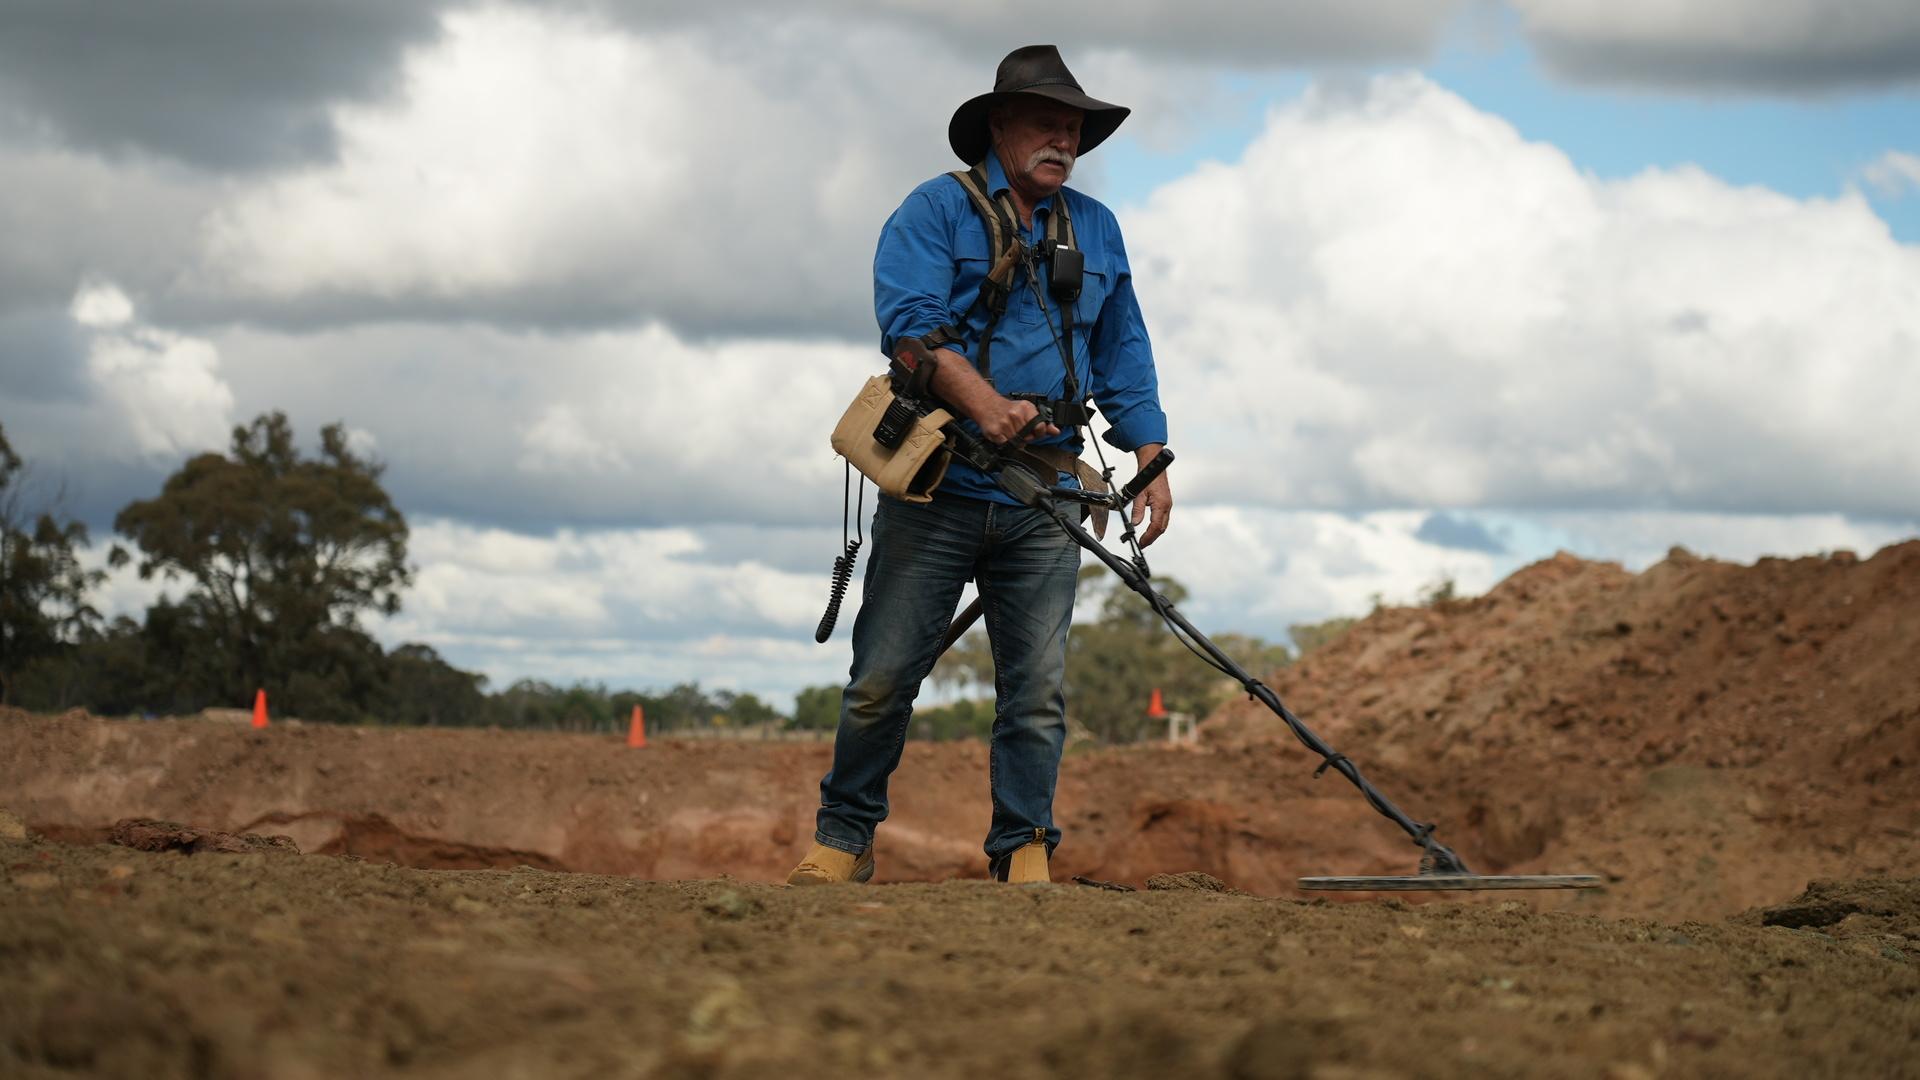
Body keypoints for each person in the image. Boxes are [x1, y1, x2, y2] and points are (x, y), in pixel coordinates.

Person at [789, 44, 1171, 885]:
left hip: (1050, 492)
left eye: (1073, 127)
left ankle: (1023, 853)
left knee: (1036, 694)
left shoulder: (1098, 229)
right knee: (881, 681)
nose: (1062, 139)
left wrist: (1148, 448)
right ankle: (842, 842)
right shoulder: (933, 212)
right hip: (940, 486)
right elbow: (912, 330)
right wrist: (984, 405)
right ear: (999, 125)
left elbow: (1123, 346)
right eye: (1045, 121)